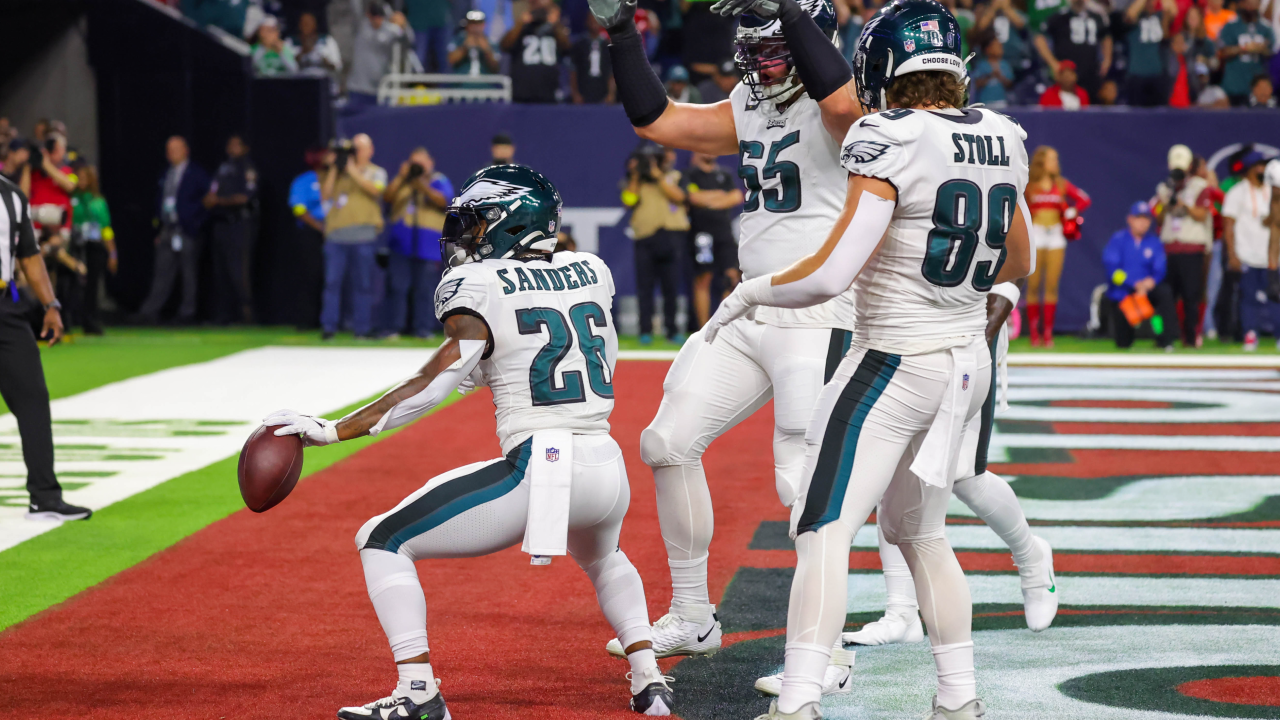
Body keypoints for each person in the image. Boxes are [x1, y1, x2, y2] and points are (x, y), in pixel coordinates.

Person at [701, 1, 1033, 717]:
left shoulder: (888, 135)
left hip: (892, 358)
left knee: (820, 527)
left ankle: (795, 700)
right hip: (964, 361)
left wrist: (750, 291)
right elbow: (1021, 255)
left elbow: (829, 275)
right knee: (923, 534)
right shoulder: (1005, 134)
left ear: (884, 66)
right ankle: (958, 699)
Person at [265, 164, 673, 719]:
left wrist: (334, 430)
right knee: (604, 557)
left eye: (479, 224)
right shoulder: (590, 269)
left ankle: (417, 693)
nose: (467, 236)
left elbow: (434, 382)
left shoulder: (477, 285)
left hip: (542, 463)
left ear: (511, 225)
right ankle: (649, 680)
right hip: (606, 462)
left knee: (380, 539)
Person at [590, 0, 861, 695]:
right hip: (751, 307)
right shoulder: (750, 99)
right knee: (666, 440)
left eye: (777, 49)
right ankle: (692, 613)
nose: (763, 66)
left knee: (801, 480)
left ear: (809, 38)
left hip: (820, 311)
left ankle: (826, 647)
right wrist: (623, 33)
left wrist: (793, 15)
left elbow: (841, 105)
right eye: (756, 52)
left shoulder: (849, 94)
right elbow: (658, 119)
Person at [0, 174, 89, 521]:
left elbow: (30, 256)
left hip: (5, 305)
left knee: (33, 397)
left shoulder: (12, 196)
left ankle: (44, 496)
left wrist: (51, 305)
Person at [136, 136, 209, 324]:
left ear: (185, 150)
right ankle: (150, 311)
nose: (171, 153)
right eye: (168, 149)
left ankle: (187, 313)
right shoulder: (165, 173)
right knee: (162, 272)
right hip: (167, 229)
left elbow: (208, 201)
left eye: (175, 149)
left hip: (187, 230)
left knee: (188, 273)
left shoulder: (197, 173)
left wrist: (195, 221)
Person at [320, 134, 387, 339]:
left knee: (363, 284)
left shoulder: (377, 172)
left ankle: (362, 328)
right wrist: (334, 167)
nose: (356, 152)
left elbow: (375, 192)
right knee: (332, 283)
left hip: (363, 235)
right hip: (336, 236)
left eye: (360, 148)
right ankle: (329, 327)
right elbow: (325, 195)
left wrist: (352, 169)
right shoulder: (337, 173)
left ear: (370, 150)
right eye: (353, 148)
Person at [382, 147, 453, 338]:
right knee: (397, 286)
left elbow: (444, 201)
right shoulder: (402, 182)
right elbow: (387, 198)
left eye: (421, 163)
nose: (418, 167)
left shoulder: (438, 180)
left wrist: (422, 184)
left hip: (427, 245)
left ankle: (422, 329)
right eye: (415, 163)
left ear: (430, 163)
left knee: (425, 288)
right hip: (401, 244)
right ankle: (394, 328)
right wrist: (400, 176)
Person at [621, 145, 689, 342]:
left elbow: (681, 197)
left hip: (672, 236)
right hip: (645, 237)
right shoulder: (637, 180)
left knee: (671, 287)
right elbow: (628, 200)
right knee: (645, 287)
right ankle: (645, 331)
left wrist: (658, 176)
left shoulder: (676, 176)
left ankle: (673, 330)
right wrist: (635, 175)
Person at [1024, 145, 1090, 347]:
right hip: (1036, 234)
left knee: (1051, 285)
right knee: (1033, 285)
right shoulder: (1030, 185)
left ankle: (1048, 334)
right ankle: (1034, 334)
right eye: (1052, 159)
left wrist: (1071, 211)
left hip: (1055, 236)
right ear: (1041, 161)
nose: (1056, 163)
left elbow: (1084, 199)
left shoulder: (1061, 184)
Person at [1154, 143, 1214, 347]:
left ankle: (1190, 337)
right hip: (1170, 248)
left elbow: (1202, 214)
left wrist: (1185, 206)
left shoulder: (1199, 186)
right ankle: (1165, 337)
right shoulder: (1164, 187)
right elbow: (1159, 218)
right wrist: (1167, 203)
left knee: (1191, 296)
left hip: (1191, 248)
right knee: (1166, 296)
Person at [1223, 152, 1279, 351]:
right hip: (1246, 253)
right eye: (1259, 165)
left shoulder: (1273, 190)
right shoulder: (1237, 192)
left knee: (1276, 296)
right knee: (1248, 297)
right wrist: (1232, 254)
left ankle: (1279, 336)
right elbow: (1228, 226)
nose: (1263, 169)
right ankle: (1250, 334)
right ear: (1249, 169)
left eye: (1265, 165)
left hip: (1270, 255)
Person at [1103, 201, 1177, 349]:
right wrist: (1134, 283)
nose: (1143, 223)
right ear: (1130, 219)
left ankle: (1164, 338)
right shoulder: (1118, 240)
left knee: (1164, 294)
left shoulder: (1154, 242)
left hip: (1148, 290)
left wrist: (1151, 282)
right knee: (1123, 343)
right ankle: (1126, 336)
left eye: (1146, 219)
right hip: (1125, 291)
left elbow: (1160, 268)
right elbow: (1112, 271)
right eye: (1139, 218)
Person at [681, 152, 743, 328]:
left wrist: (707, 199)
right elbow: (691, 197)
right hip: (702, 234)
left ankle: (725, 326)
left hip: (724, 232)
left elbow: (736, 196)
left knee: (732, 276)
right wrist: (719, 196)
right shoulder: (690, 174)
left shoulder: (724, 173)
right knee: (704, 277)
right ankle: (703, 328)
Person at [204, 135, 257, 324]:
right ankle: (224, 315)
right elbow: (211, 192)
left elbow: (246, 198)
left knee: (239, 272)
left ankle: (247, 316)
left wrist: (219, 201)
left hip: (239, 225)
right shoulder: (222, 168)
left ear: (245, 148)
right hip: (220, 224)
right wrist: (210, 200)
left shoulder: (247, 168)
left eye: (237, 145)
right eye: (230, 145)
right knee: (221, 271)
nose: (232, 148)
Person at [70, 164, 116, 335]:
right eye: (79, 177)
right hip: (75, 246)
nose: (82, 181)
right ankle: (72, 319)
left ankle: (91, 321)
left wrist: (113, 253)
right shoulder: (72, 198)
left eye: (85, 178)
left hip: (94, 246)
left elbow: (106, 229)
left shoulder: (98, 201)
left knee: (92, 285)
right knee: (73, 284)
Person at [1034, 0, 1112, 101]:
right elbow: (1039, 38)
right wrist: (1053, 63)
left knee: (1091, 112)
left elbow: (1106, 37)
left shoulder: (1097, 16)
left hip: (1091, 73)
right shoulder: (1059, 16)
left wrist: (1107, 59)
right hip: (1066, 74)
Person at [288, 146, 330, 328]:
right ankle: (307, 319)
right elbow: (298, 208)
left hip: (336, 232)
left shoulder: (335, 178)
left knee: (331, 279)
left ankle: (331, 320)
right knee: (310, 275)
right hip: (310, 233)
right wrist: (319, 226)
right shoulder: (304, 180)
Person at [501, 0, 571, 103]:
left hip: (549, 93)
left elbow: (567, 47)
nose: (539, 12)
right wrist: (521, 22)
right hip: (522, 93)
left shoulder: (554, 29)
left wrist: (555, 23)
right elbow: (505, 46)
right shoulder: (521, 29)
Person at [348, 3, 414, 110]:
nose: (377, 20)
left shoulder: (391, 30)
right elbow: (355, 6)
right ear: (369, 15)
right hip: (358, 89)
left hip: (380, 91)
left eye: (379, 16)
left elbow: (409, 41)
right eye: (374, 16)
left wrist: (405, 25)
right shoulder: (360, 26)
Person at [1218, 0, 1274, 106]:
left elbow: (1271, 51)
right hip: (1235, 85)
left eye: (1254, 4)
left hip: (1258, 88)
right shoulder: (1231, 25)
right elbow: (1222, 52)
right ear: (1241, 4)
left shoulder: (1265, 27)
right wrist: (1244, 49)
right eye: (1248, 3)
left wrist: (1261, 48)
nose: (1250, 7)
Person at [1122, 0, 1175, 106]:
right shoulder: (1135, 19)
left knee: (1159, 116)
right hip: (1136, 74)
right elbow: (1129, 15)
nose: (1151, 3)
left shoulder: (1160, 16)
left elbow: (1172, 11)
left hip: (1158, 73)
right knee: (1136, 115)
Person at [570, 15, 616, 103]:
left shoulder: (608, 46)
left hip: (602, 91)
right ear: (586, 22)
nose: (593, 24)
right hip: (584, 90)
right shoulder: (579, 45)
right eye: (591, 21)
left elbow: (612, 73)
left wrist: (611, 94)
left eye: (596, 21)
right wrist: (575, 93)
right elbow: (573, 71)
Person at [287, 11, 343, 82]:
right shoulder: (291, 41)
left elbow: (338, 67)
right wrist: (303, 52)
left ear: (315, 25)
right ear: (299, 25)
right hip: (299, 83)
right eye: (304, 23)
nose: (306, 25)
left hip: (323, 82)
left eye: (309, 23)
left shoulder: (327, 40)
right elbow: (287, 67)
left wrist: (324, 59)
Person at [449, 11, 501, 77]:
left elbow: (496, 68)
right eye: (472, 23)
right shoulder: (459, 39)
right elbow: (450, 60)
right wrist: (464, 47)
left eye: (478, 23)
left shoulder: (491, 42)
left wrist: (487, 50)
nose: (475, 27)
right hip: (461, 83)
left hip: (486, 84)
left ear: (484, 25)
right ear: (467, 25)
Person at [404, 0, 453, 72]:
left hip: (441, 21)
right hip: (418, 23)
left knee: (445, 61)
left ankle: (446, 83)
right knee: (418, 62)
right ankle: (415, 83)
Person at [970, 33, 1014, 106]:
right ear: (987, 49)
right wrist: (989, 76)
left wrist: (999, 76)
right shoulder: (982, 65)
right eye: (995, 46)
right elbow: (976, 84)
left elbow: (1010, 84)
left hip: (1001, 102)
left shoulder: (1005, 65)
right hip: (985, 102)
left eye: (1000, 46)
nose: (1000, 48)